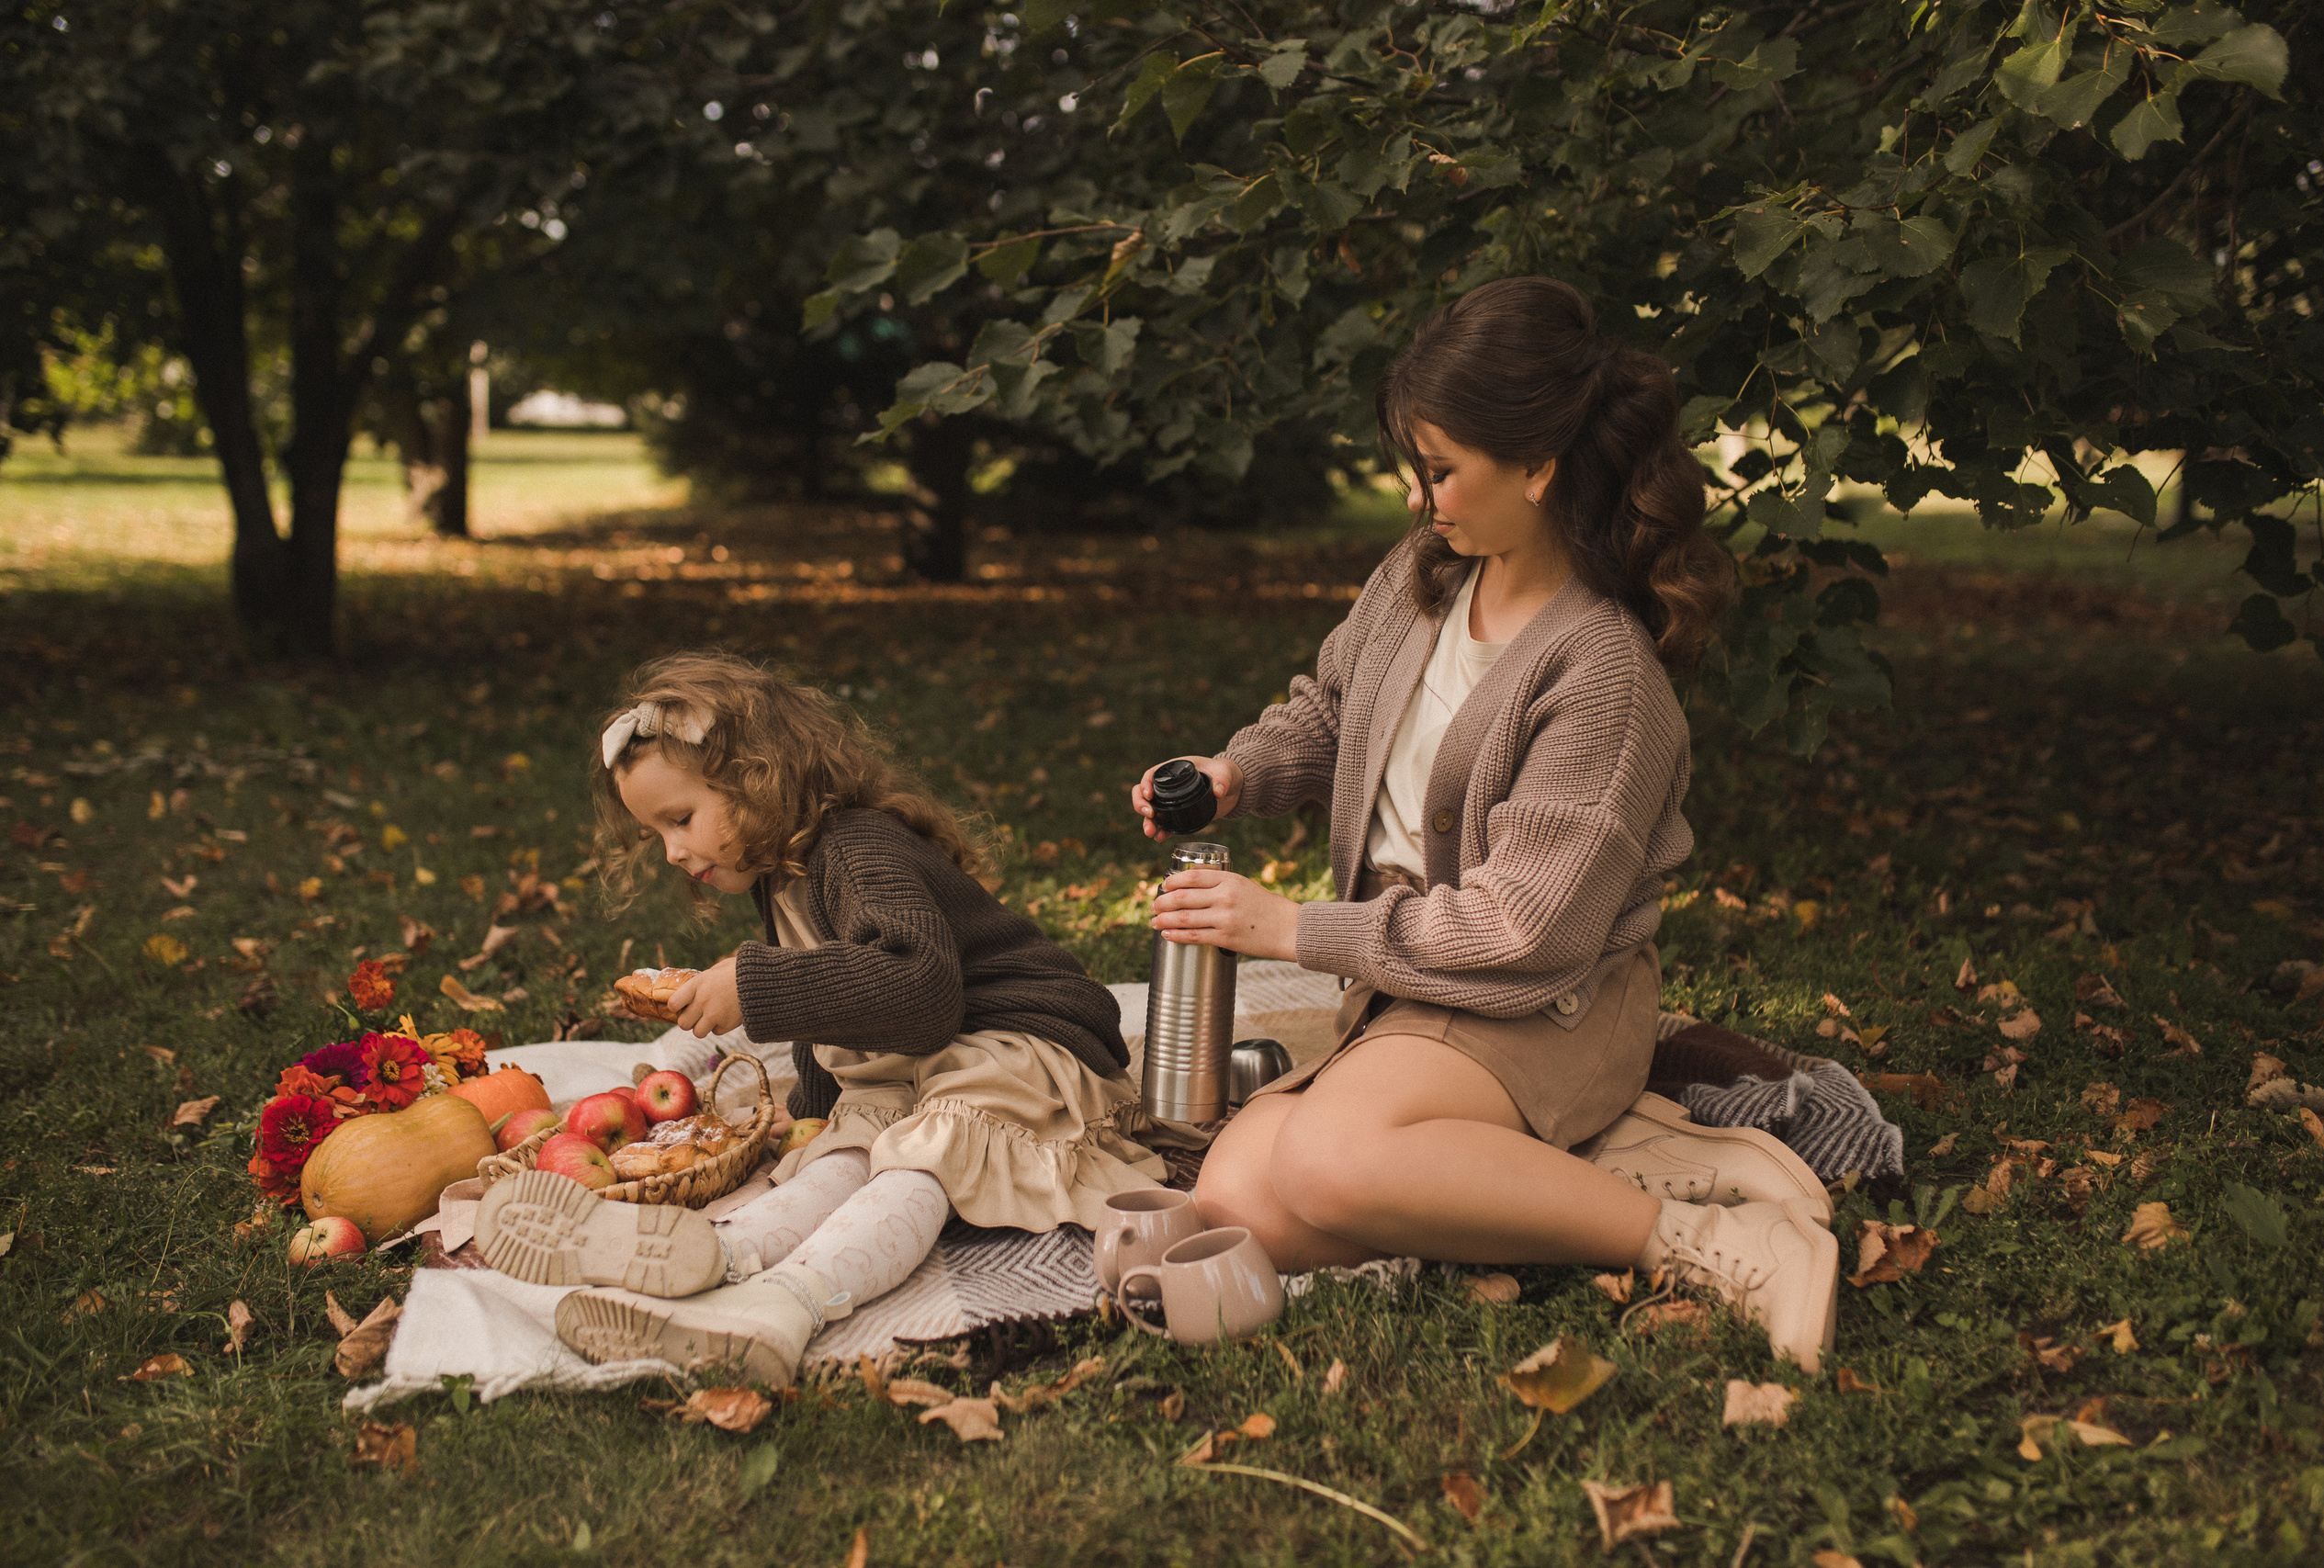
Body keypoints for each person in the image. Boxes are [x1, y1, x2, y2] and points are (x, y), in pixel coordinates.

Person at [1130, 276, 1842, 1371]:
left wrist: (1293, 931)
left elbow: (1524, 931)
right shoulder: (1420, 580)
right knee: (1238, 1197)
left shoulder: (1603, 674)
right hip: (1413, 989)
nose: (1420, 501)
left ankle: (1703, 1236)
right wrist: (1234, 772)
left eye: (1441, 471)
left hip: (1547, 1001)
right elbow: (1329, 709)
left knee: (1325, 1164)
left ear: (1538, 467)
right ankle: (1544, 1177)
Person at [478, 651, 1186, 1384]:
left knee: (926, 1159)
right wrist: (812, 1118)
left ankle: (780, 1306)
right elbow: (833, 1009)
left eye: (681, 819)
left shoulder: (857, 848)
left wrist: (753, 987)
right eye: (659, 832)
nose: (673, 850)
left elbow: (921, 987)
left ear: (756, 777)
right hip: (923, 1061)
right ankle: (710, 1257)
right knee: (846, 1154)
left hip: (1020, 1043)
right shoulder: (780, 875)